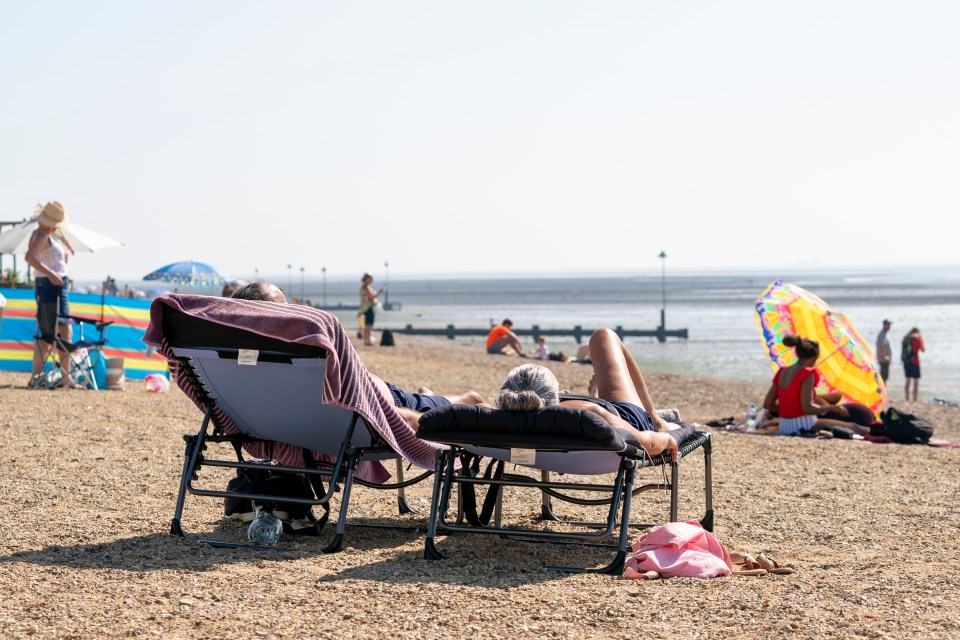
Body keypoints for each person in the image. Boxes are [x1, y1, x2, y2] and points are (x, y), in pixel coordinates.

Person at [231, 280, 484, 427]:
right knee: (465, 401)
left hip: (376, 396)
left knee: (418, 400)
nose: (293, 315)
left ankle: (430, 397)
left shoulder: (232, 357)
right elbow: (393, 416)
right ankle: (441, 398)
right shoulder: (302, 351)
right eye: (285, 309)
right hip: (379, 402)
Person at [494, 328, 686, 461]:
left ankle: (656, 414)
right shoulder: (587, 412)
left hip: (586, 432)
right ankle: (656, 415)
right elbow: (647, 444)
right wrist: (669, 437)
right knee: (603, 335)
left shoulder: (498, 417)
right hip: (626, 420)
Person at [760, 335, 870, 438]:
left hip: (785, 425)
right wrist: (834, 408)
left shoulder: (782, 371)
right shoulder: (807, 373)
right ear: (813, 358)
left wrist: (788, 409)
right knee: (854, 427)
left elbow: (768, 404)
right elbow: (807, 408)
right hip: (804, 425)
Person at [24, 202, 77, 389]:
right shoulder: (41, 235)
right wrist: (52, 274)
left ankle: (57, 376)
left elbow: (44, 256)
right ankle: (55, 377)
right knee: (54, 332)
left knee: (57, 331)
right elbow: (30, 257)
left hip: (52, 286)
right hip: (50, 287)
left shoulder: (46, 235)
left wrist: (64, 257)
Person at [358, 272, 385, 346]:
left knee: (366, 325)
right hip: (368, 308)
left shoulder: (363, 287)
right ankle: (367, 341)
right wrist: (380, 292)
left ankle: (367, 341)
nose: (372, 280)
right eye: (370, 278)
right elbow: (371, 297)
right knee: (368, 325)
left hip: (364, 308)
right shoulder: (366, 287)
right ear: (366, 279)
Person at [902, 327, 925, 402]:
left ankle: (907, 399)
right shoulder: (917, 338)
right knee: (916, 382)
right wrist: (921, 339)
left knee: (907, 380)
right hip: (915, 362)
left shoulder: (906, 338)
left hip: (906, 362)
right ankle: (915, 399)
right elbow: (923, 349)